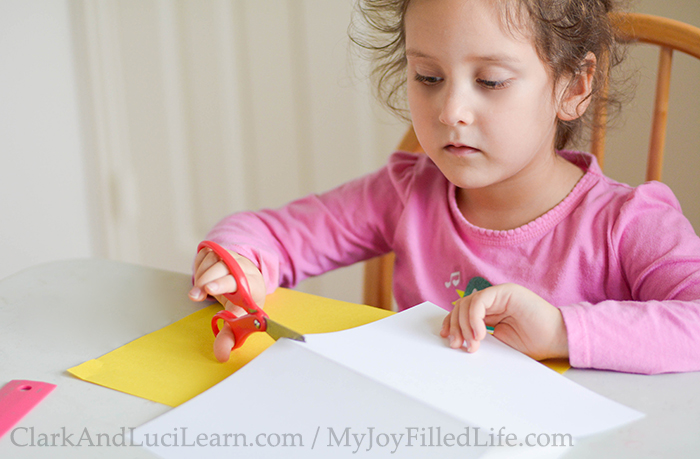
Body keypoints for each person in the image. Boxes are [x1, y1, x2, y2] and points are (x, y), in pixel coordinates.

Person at [189, 0, 700, 374]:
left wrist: (561, 332)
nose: (449, 111)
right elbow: (268, 234)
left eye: (492, 80)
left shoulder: (629, 223)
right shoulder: (407, 192)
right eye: (429, 77)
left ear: (574, 85)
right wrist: (238, 266)